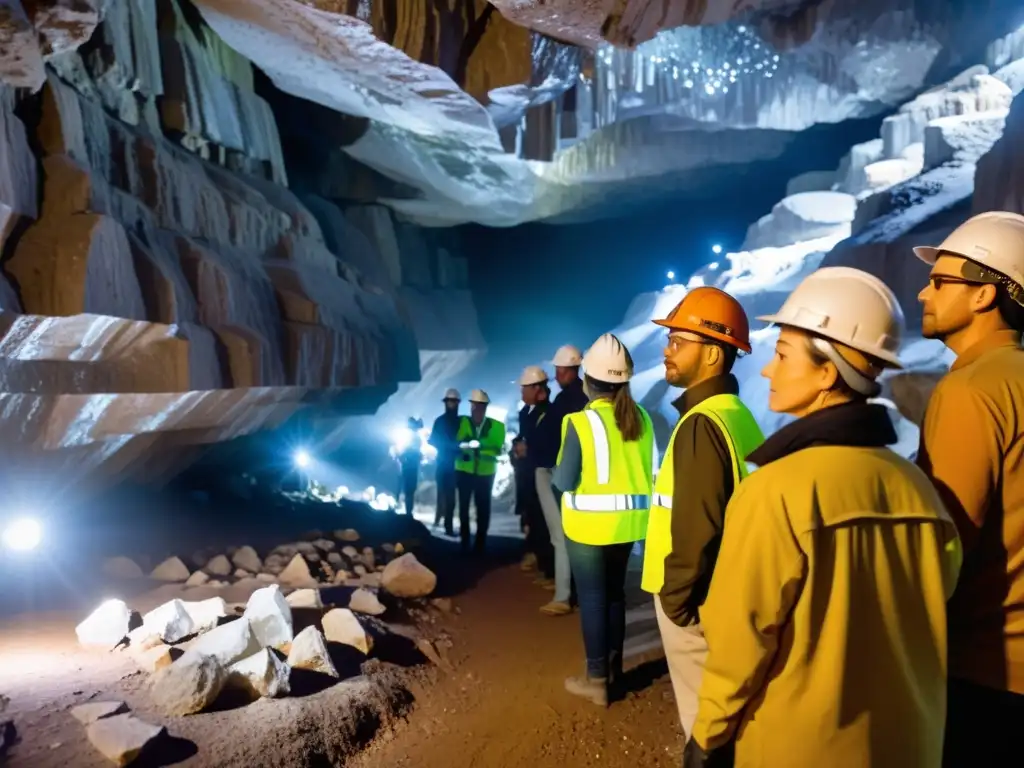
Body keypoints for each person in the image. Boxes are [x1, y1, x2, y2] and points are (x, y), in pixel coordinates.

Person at [686, 266, 962, 768]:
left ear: (827, 371)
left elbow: (739, 643)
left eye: (783, 354)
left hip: (802, 748)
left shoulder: (774, 492)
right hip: (909, 745)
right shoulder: (918, 490)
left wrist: (707, 735)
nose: (767, 370)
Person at [910, 211, 1024, 766]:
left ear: (984, 296)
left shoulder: (971, 392)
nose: (922, 292)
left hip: (986, 669)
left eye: (940, 281)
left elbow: (942, 551)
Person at [642, 287, 765, 743]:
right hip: (722, 594)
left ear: (713, 354)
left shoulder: (701, 424)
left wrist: (676, 602)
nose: (667, 351)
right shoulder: (736, 414)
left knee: (703, 727)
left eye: (678, 342)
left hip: (693, 600)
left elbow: (698, 525)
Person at [553, 333, 655, 706]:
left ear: (587, 381)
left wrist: (553, 476)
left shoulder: (580, 424)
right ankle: (614, 671)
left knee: (594, 600)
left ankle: (597, 681)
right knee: (615, 597)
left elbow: (564, 481)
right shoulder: (641, 417)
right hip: (630, 526)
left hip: (589, 528)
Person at [534, 344, 589, 616]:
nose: (556, 375)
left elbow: (560, 438)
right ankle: (572, 590)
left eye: (559, 370)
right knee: (571, 535)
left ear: (570, 370)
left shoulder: (570, 400)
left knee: (561, 535)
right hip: (572, 472)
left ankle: (564, 595)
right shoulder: (579, 396)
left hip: (562, 472)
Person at [455, 389, 507, 554]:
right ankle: (464, 541)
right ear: (470, 407)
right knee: (463, 507)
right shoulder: (462, 422)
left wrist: (479, 446)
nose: (477, 410)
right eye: (474, 406)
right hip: (464, 471)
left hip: (485, 473)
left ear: (485, 408)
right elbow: (455, 441)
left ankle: (480, 543)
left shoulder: (497, 426)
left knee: (483, 508)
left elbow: (497, 447)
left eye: (480, 406)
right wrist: (466, 445)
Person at [515, 365, 554, 578]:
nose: (522, 393)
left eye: (525, 389)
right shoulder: (526, 412)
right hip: (528, 474)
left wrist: (528, 448)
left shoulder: (548, 412)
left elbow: (547, 443)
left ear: (536, 388)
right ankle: (541, 563)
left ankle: (549, 569)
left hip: (542, 473)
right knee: (532, 519)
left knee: (543, 523)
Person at [429, 388, 462, 534]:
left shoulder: (462, 422)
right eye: (450, 401)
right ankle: (440, 519)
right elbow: (433, 440)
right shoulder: (440, 421)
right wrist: (450, 446)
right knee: (443, 494)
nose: (451, 404)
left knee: (451, 497)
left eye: (453, 402)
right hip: (444, 463)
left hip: (456, 465)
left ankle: (447, 524)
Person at [397, 416, 424, 515]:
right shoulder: (414, 437)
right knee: (410, 489)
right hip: (411, 465)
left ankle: (408, 510)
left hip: (409, 465)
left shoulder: (412, 437)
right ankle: (408, 511)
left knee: (408, 489)